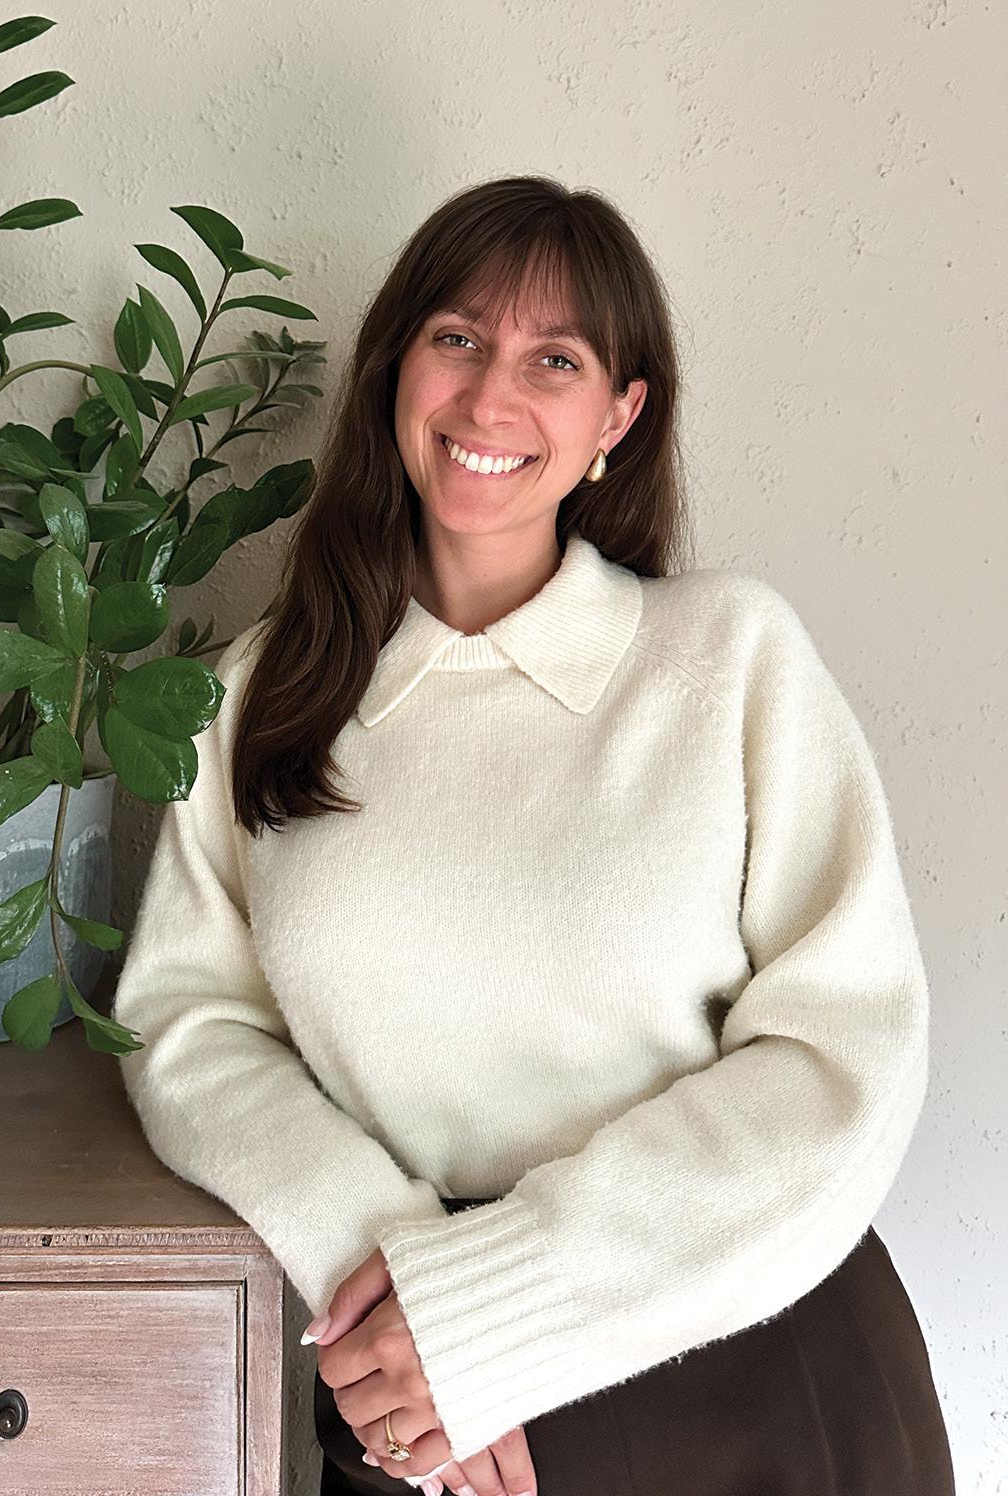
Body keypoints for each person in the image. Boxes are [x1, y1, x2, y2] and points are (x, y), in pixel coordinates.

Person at [111, 174, 956, 1496]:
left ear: (619, 414)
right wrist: (406, 1296)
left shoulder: (730, 660)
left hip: (750, 1371)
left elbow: (842, 1053)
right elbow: (190, 1025)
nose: (490, 397)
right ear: (395, 369)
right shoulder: (258, 695)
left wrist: (504, 1308)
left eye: (553, 360)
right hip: (413, 1396)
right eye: (457, 337)